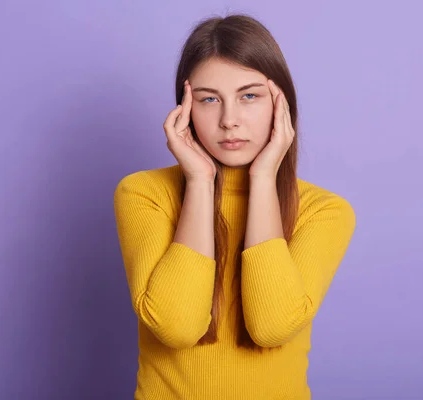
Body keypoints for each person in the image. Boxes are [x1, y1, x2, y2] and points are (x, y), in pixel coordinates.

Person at [113, 13, 356, 400]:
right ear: (185, 108)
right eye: (209, 99)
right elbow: (177, 327)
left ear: (282, 104)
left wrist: (263, 180)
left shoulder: (323, 210)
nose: (229, 120)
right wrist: (198, 182)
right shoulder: (143, 193)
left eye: (249, 96)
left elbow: (271, 327)